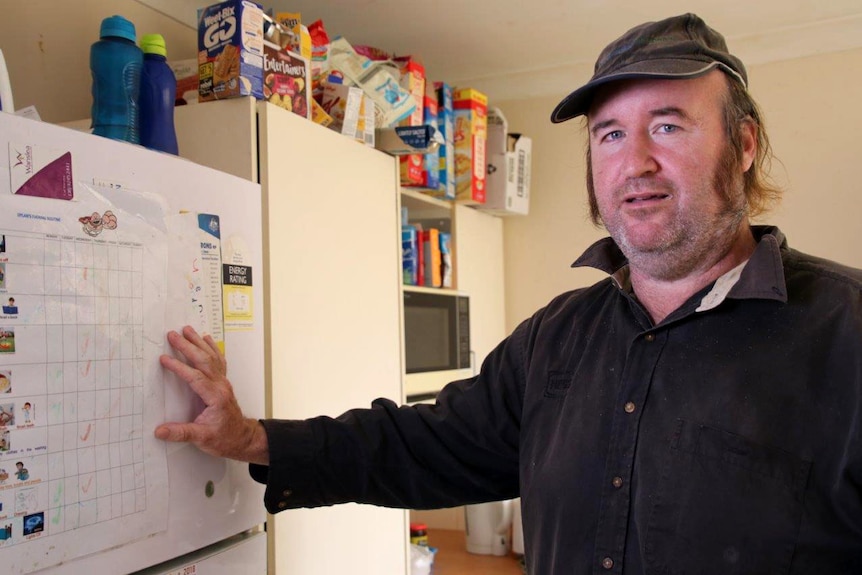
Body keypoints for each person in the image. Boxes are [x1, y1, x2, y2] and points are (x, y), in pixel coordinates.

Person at [156, 13, 862, 574]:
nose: (635, 161)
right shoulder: (556, 337)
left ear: (742, 145)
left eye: (668, 125)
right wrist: (251, 437)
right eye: (611, 134)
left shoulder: (848, 334)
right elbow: (419, 446)